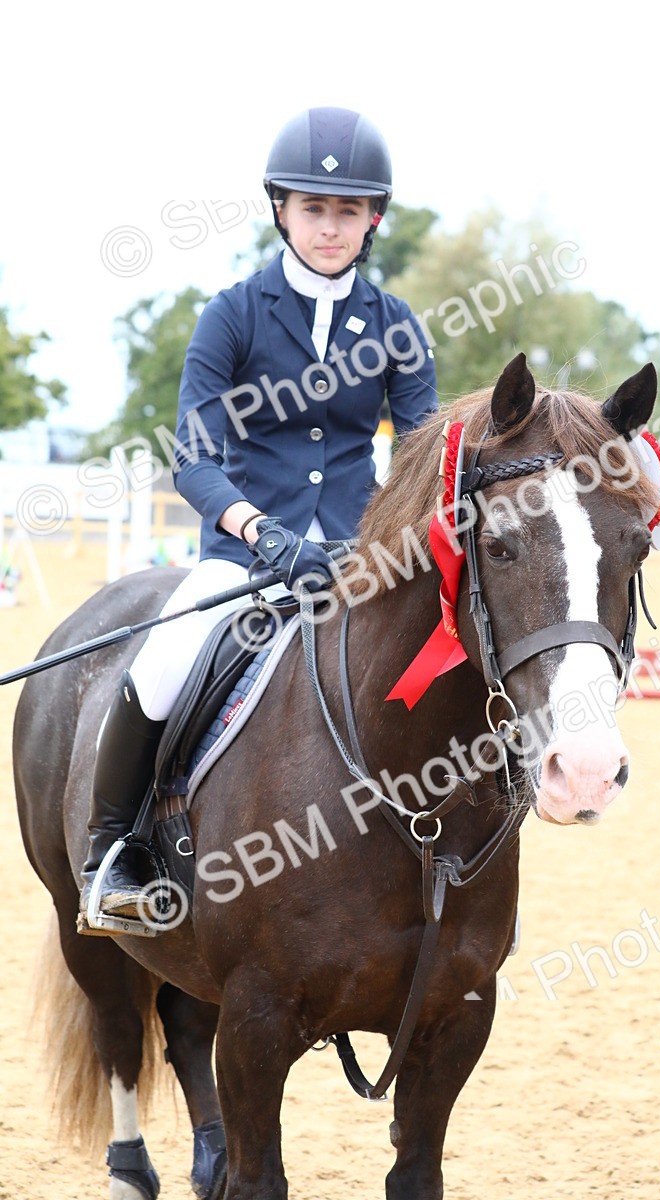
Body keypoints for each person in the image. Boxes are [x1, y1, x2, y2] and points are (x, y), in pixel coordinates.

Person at [79, 106, 438, 930]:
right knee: (167, 657)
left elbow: (419, 453)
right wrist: (260, 531)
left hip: (356, 560)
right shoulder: (232, 314)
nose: (331, 227)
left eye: (348, 211)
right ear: (280, 207)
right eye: (314, 208)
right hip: (244, 554)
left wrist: (378, 544)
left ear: (373, 218)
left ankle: (460, 854)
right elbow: (193, 456)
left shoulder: (394, 327)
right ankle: (115, 851)